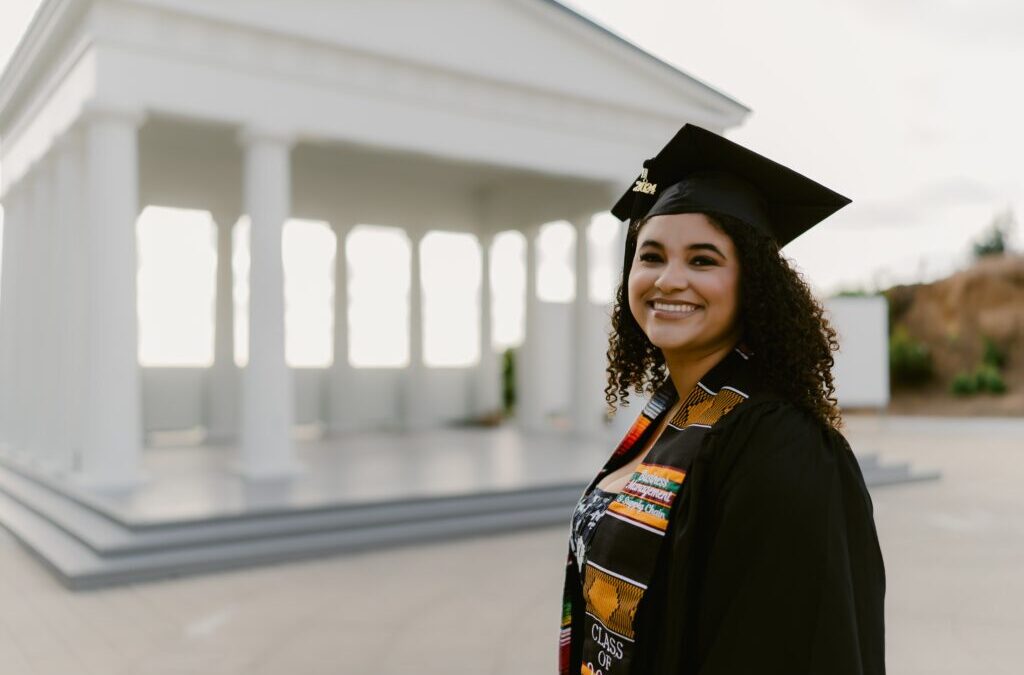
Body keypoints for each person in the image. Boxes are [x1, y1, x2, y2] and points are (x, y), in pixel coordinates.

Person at [558, 124, 886, 675]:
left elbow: (785, 648)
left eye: (703, 260)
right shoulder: (665, 418)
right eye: (651, 256)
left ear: (752, 283)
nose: (669, 279)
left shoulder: (780, 442)